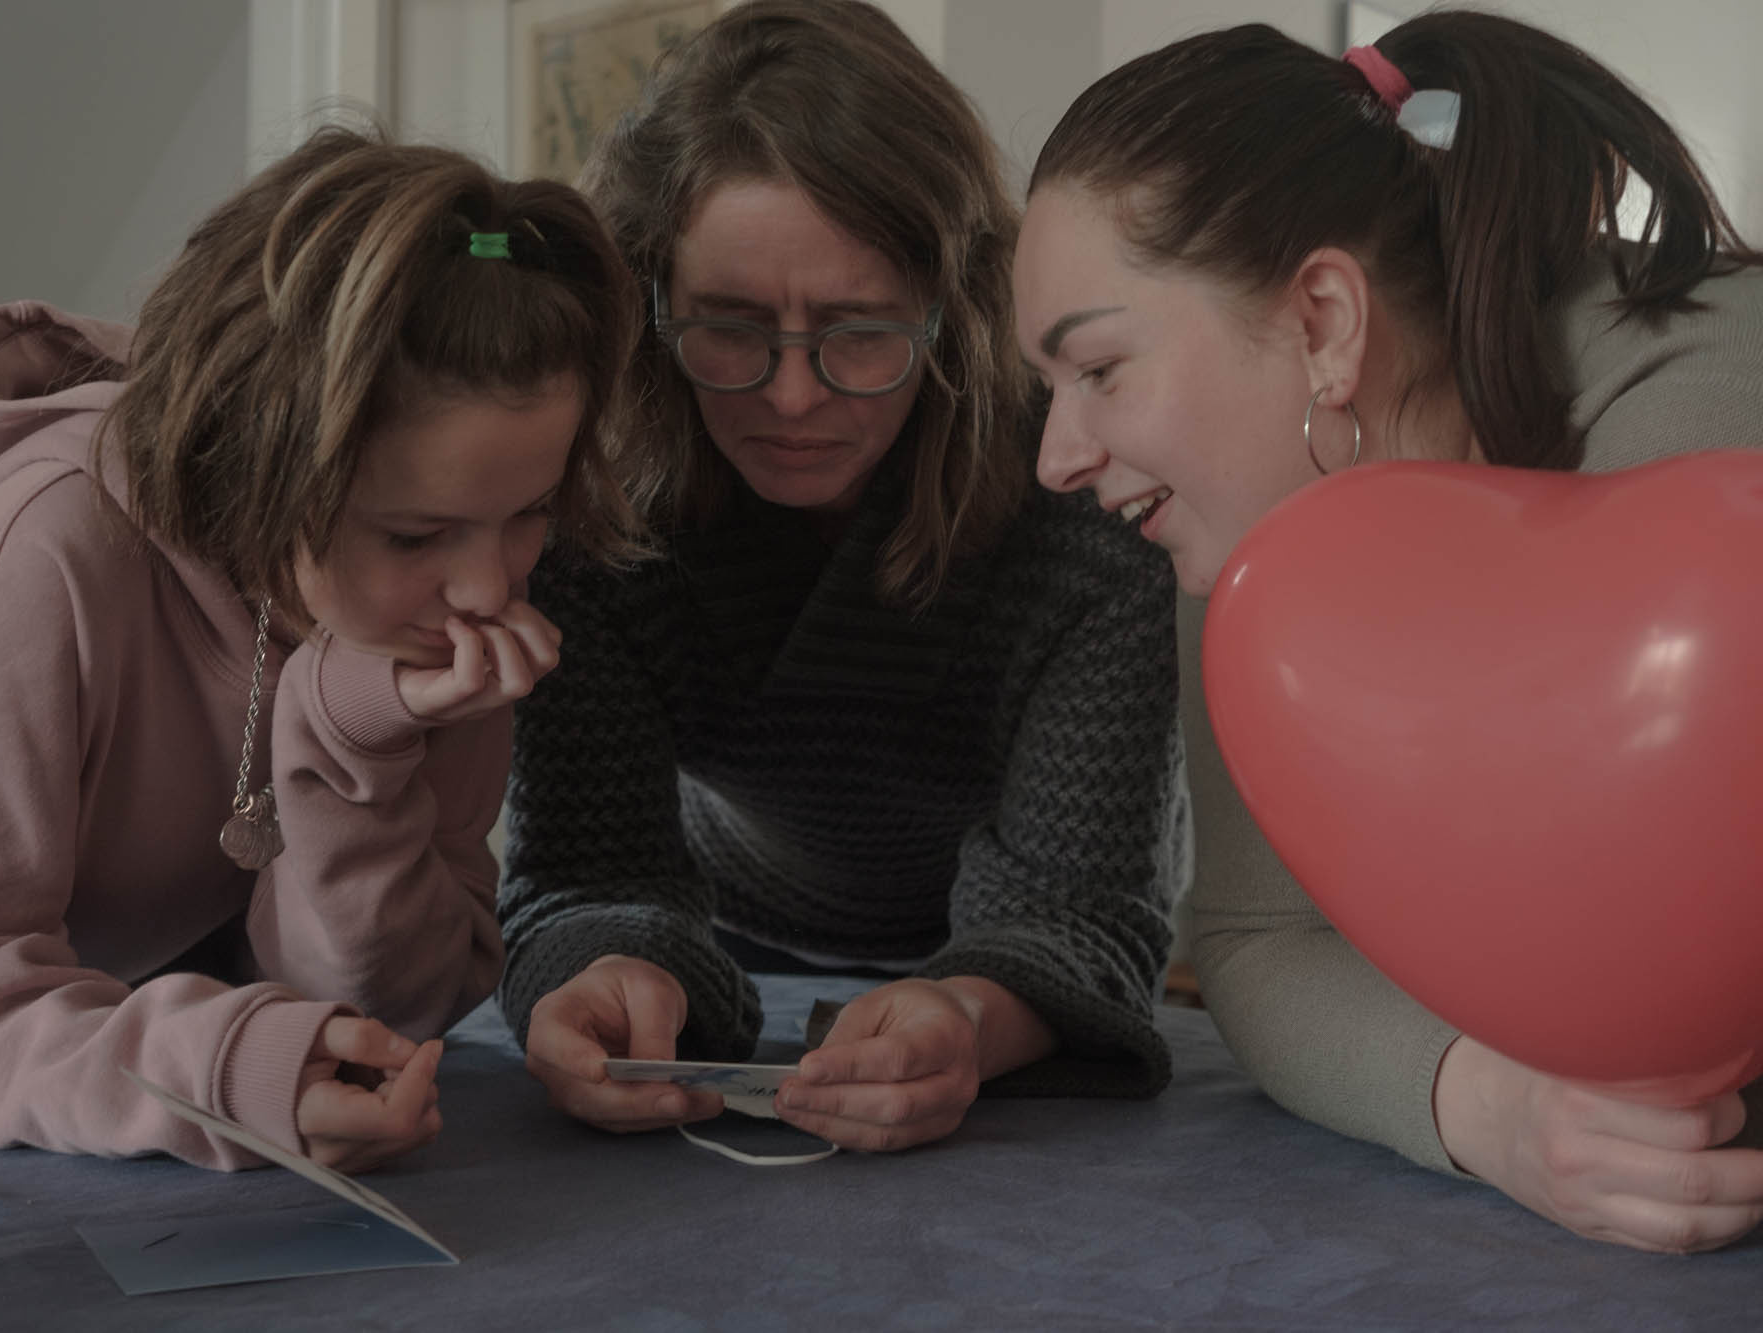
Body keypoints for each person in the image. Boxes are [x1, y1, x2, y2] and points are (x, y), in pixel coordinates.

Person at [1013, 11, 1763, 1250]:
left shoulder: (1706, 420)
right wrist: (1489, 1109)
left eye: (1096, 369)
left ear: (1320, 320)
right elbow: (1252, 941)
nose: (1054, 457)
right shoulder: (1251, 533)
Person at [0, 127, 639, 1171]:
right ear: (251, 463)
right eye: (414, 534)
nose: (488, 589)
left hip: (86, 1090)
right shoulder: (43, 558)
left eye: (530, 512)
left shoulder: (441, 615)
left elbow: (396, 1012)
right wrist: (215, 1074)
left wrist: (355, 741)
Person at [498, 0, 1190, 1153]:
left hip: (1019, 960)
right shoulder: (591, 501)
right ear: (649, 300)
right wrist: (603, 974)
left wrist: (969, 1014)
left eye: (858, 329)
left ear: (950, 306)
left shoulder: (1079, 494)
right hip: (714, 931)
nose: (789, 397)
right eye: (727, 327)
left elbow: (1084, 905)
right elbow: (584, 869)